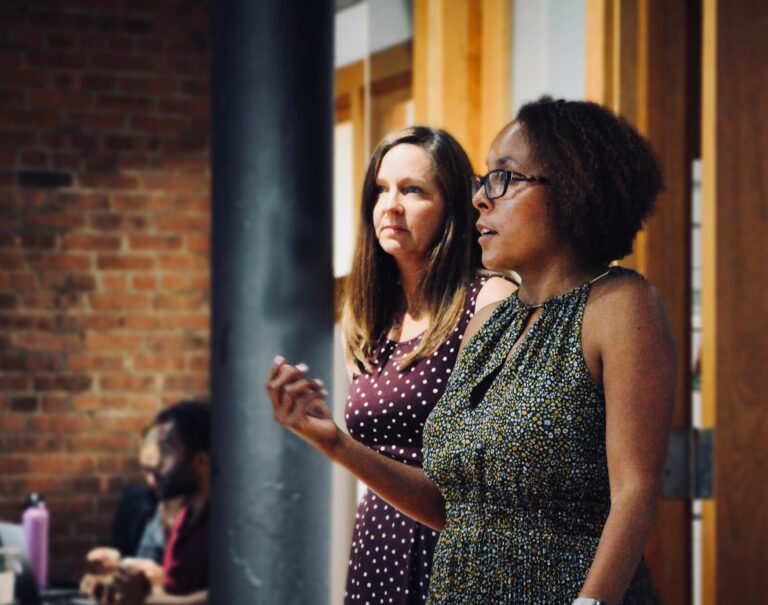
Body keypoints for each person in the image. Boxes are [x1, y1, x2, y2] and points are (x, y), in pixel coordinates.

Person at [267, 97, 676, 605]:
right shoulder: (490, 322)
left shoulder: (618, 303)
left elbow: (635, 491)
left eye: (504, 178)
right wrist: (334, 443)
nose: (481, 198)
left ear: (572, 189)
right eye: (484, 181)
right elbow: (450, 504)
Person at [301, 125, 515, 604]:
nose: (390, 206)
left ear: (453, 207)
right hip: (379, 543)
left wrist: (334, 442)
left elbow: (477, 487)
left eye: (412, 190)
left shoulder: (489, 301)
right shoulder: (369, 314)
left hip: (452, 551)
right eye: (381, 190)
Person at [102, 401, 211, 605]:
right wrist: (148, 578)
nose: (158, 464)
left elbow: (228, 596)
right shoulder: (183, 518)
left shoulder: (225, 525)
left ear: (200, 463)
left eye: (168, 451)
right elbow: (174, 589)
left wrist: (145, 600)